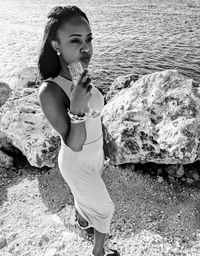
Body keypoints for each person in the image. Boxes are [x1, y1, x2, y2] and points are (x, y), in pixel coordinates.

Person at [37, 6, 120, 256]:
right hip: (76, 160)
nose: (86, 48)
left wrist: (105, 144)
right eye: (75, 40)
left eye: (89, 39)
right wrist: (76, 108)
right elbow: (74, 143)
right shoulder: (50, 91)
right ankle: (98, 252)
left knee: (86, 198)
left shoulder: (81, 75)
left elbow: (96, 115)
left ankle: (83, 220)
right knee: (105, 209)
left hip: (96, 154)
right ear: (56, 45)